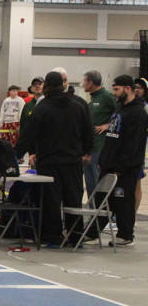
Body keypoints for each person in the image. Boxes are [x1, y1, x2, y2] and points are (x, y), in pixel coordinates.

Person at [14, 70, 93, 248]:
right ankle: (75, 237)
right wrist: (87, 152)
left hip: (49, 162)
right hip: (73, 161)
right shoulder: (78, 104)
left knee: (51, 201)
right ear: (62, 85)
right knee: (73, 199)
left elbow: (28, 134)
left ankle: (53, 237)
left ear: (47, 86)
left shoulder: (43, 107)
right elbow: (88, 130)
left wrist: (15, 155)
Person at [97, 75, 147, 247]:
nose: (115, 93)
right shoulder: (120, 109)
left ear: (128, 88)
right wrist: (104, 159)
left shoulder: (137, 113)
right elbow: (112, 137)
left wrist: (122, 166)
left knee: (123, 202)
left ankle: (126, 235)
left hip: (125, 168)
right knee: (102, 201)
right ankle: (91, 232)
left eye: (117, 90)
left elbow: (134, 143)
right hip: (109, 165)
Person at [83, 70, 118, 199]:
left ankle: (101, 209)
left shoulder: (107, 97)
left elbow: (121, 114)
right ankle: (92, 209)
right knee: (90, 184)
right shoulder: (93, 99)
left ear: (91, 83)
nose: (83, 84)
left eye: (84, 81)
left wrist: (107, 125)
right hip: (90, 148)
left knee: (99, 183)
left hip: (100, 147)